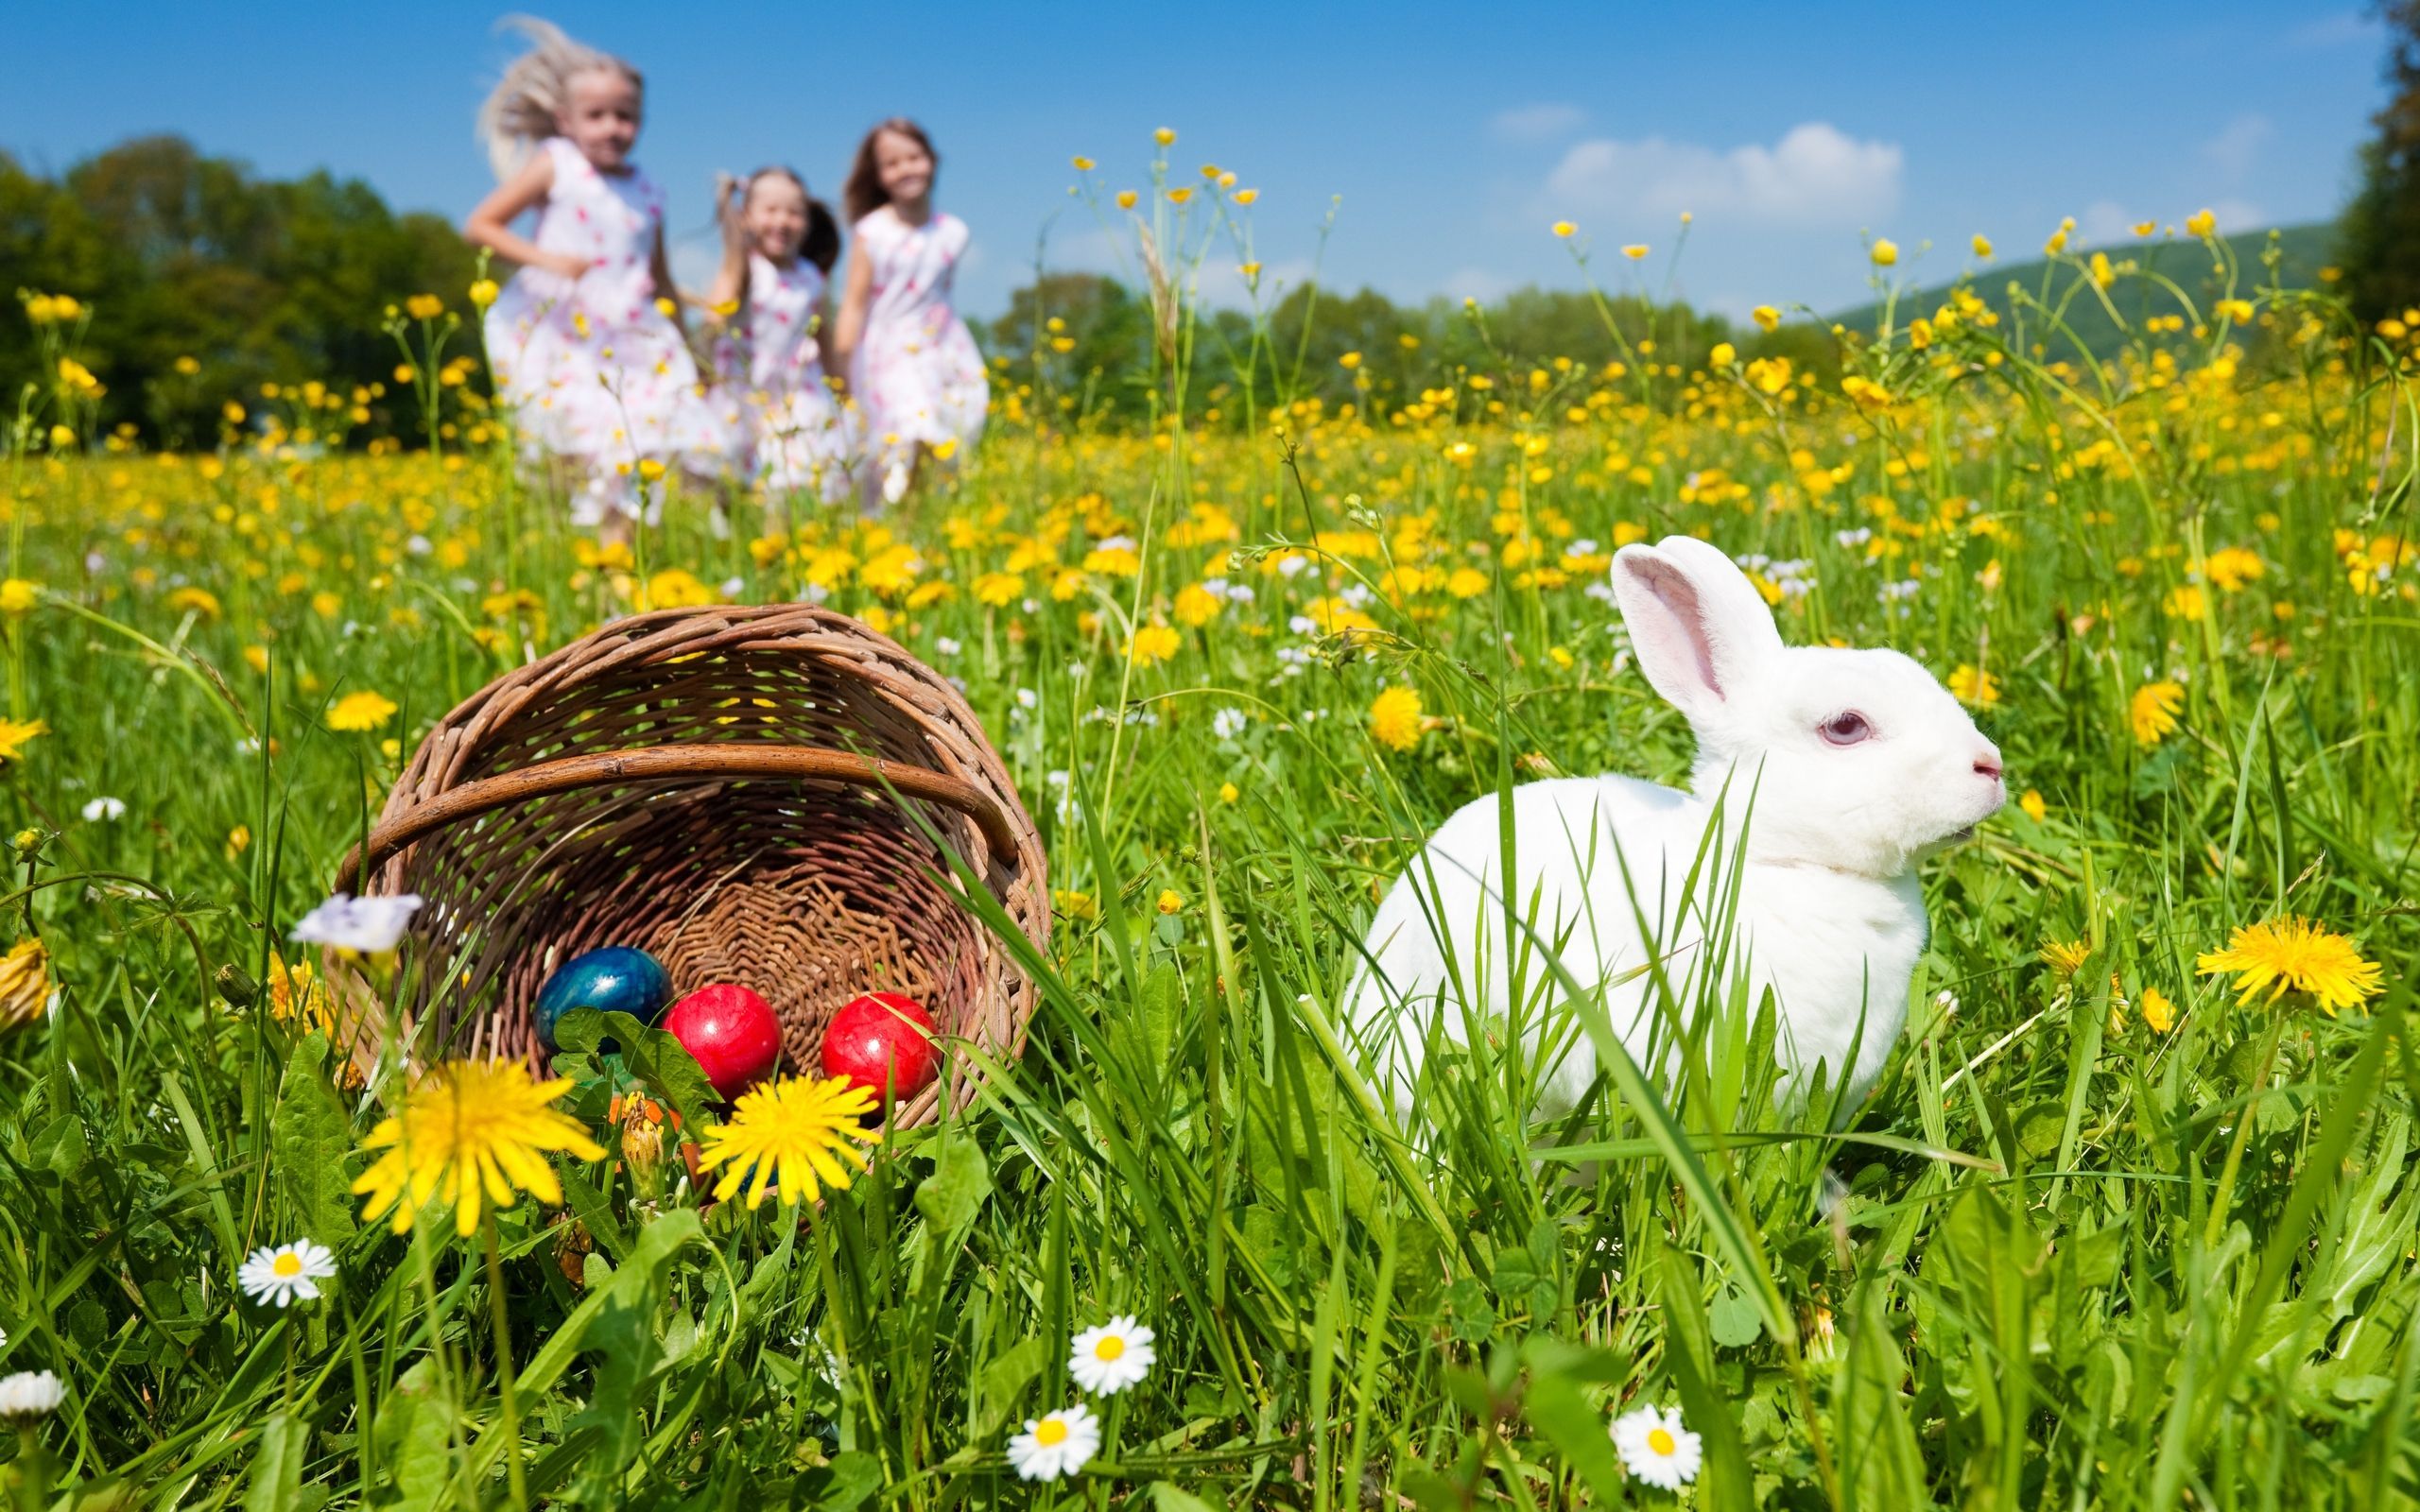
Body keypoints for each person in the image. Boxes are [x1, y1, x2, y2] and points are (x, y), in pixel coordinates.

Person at [463, 16, 730, 541]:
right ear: (566, 120)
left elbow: (659, 277)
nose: (613, 127)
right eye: (598, 115)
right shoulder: (556, 163)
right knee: (579, 452)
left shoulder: (650, 189)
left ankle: (625, 555)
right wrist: (548, 260)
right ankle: (582, 552)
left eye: (626, 116)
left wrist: (692, 343)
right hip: (565, 330)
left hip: (634, 333)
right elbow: (480, 225)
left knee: (650, 440)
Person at [828, 118, 988, 509]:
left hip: (944, 347)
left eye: (914, 157)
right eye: (892, 163)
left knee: (946, 439)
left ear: (931, 160)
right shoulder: (872, 231)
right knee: (908, 434)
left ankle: (918, 521)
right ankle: (889, 520)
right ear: (879, 175)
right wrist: (840, 365)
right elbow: (853, 302)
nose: (906, 169)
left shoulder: (954, 231)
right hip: (890, 350)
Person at [700, 167, 858, 521]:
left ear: (807, 220)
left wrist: (846, 395)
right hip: (741, 394)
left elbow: (825, 339)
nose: (782, 221)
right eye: (770, 211)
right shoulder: (742, 269)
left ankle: (780, 550)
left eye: (793, 212)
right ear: (747, 216)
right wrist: (700, 378)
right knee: (733, 487)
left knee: (793, 477)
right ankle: (736, 550)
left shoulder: (811, 277)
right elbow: (711, 325)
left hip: (795, 395)